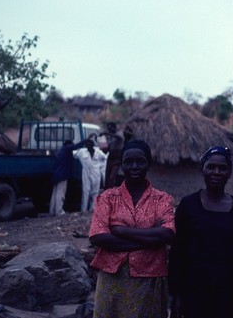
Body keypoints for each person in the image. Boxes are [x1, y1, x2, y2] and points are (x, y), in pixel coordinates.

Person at [89, 139, 176, 318]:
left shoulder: (162, 199)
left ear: (149, 164)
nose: (134, 166)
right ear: (121, 165)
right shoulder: (108, 198)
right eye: (128, 162)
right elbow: (98, 236)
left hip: (148, 279)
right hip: (112, 280)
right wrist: (150, 241)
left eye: (140, 161)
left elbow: (168, 233)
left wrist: (122, 231)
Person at [168, 146, 233, 318]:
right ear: (203, 170)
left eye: (223, 168)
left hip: (227, 295)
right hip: (193, 292)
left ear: (229, 173)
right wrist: (176, 296)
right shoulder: (188, 205)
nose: (216, 172)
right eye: (211, 167)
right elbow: (177, 253)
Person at [49, 139, 86, 216]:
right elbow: (76, 146)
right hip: (62, 175)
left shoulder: (60, 151)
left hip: (56, 175)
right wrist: (86, 140)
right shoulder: (66, 149)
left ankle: (52, 211)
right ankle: (59, 211)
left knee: (55, 194)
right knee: (60, 193)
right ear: (68, 145)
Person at [73, 138, 107, 212]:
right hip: (86, 172)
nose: (88, 144)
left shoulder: (98, 152)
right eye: (87, 143)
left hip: (96, 173)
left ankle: (93, 208)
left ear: (93, 144)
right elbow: (73, 153)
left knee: (95, 191)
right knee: (85, 191)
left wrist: (102, 168)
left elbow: (105, 158)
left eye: (90, 143)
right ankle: (84, 210)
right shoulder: (82, 152)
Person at [100, 122, 124, 189]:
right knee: (107, 176)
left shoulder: (119, 134)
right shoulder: (109, 138)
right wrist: (102, 146)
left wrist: (106, 134)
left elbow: (119, 138)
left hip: (117, 158)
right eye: (108, 128)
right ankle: (107, 191)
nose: (109, 130)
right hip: (110, 157)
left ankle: (112, 191)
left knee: (112, 177)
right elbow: (106, 150)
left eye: (110, 128)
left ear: (114, 128)